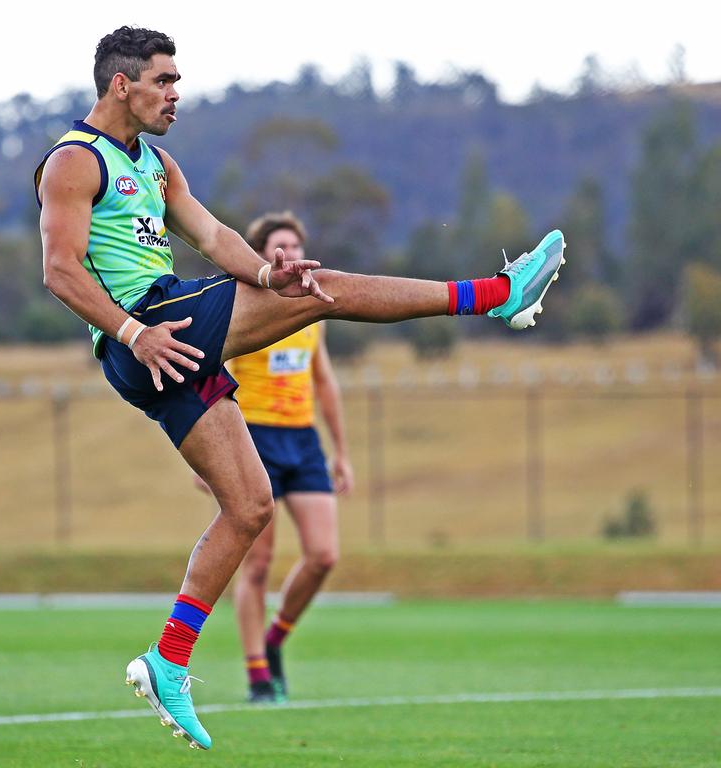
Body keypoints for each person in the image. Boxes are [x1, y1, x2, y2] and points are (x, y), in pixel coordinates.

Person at [35, 26, 565, 750]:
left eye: (177, 81)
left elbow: (215, 236)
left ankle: (167, 661)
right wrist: (132, 333)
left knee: (250, 508)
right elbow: (60, 270)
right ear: (121, 84)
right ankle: (495, 294)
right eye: (164, 81)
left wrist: (263, 275)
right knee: (327, 291)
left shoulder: (158, 165)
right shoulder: (72, 161)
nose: (176, 94)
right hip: (148, 327)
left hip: (169, 343)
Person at [194, 212, 353, 705]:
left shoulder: (313, 307)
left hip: (302, 439)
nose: (289, 251)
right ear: (264, 254)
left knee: (324, 555)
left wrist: (341, 451)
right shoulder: (248, 304)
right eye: (279, 245)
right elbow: (208, 370)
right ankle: (258, 675)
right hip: (254, 435)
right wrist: (211, 458)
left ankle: (276, 637)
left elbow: (323, 380)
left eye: (296, 244)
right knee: (257, 565)